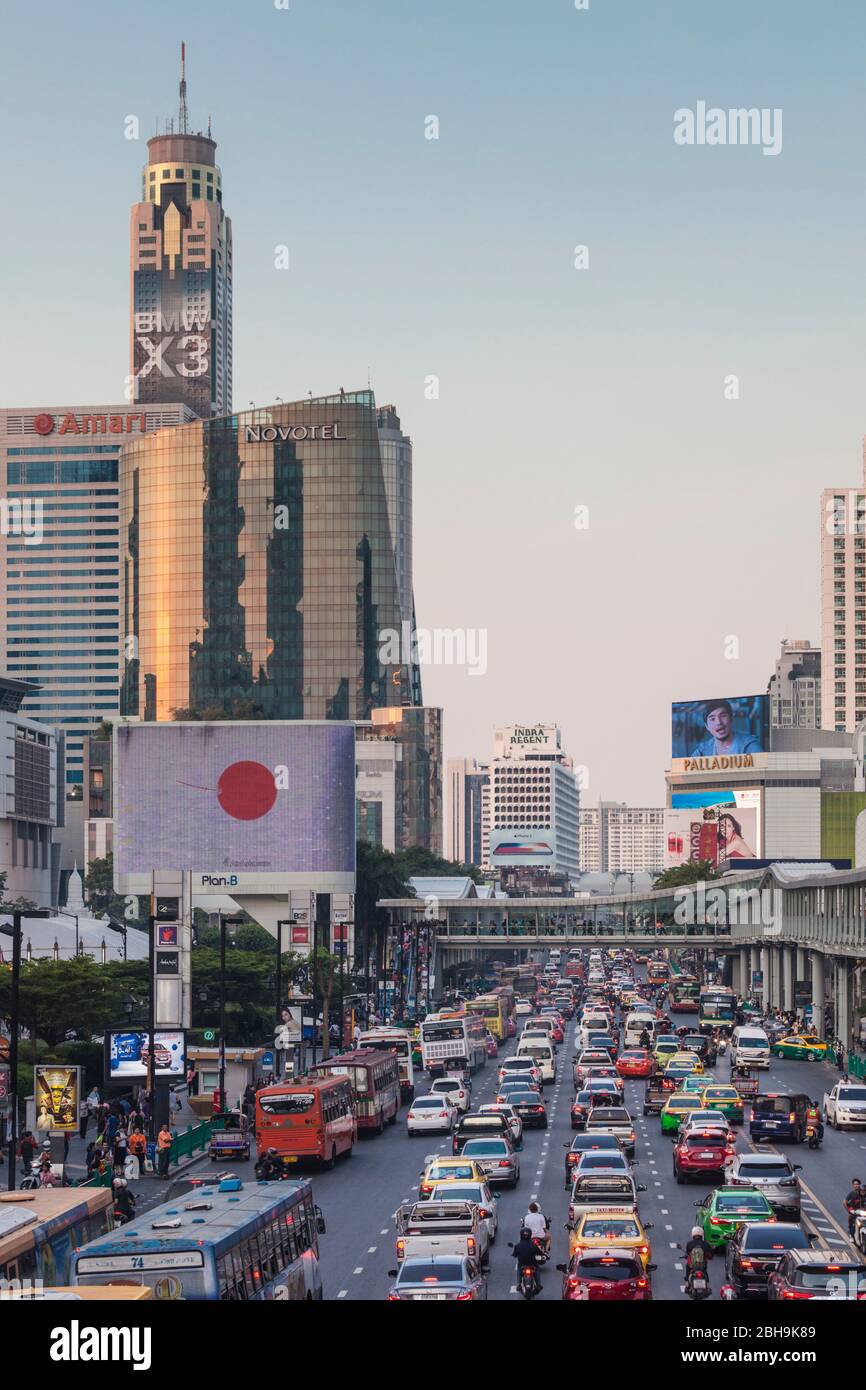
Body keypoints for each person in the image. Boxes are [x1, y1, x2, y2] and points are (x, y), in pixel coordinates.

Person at [690, 699, 763, 758]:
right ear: (707, 726)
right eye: (712, 719)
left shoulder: (750, 746)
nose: (718, 722)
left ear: (731, 718)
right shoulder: (702, 751)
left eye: (723, 716)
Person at [512, 1226, 543, 1292]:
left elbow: (514, 1255)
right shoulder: (533, 1245)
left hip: (522, 1263)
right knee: (537, 1268)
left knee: (519, 1270)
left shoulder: (517, 1246)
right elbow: (539, 1252)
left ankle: (518, 1284)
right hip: (532, 1263)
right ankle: (538, 1284)